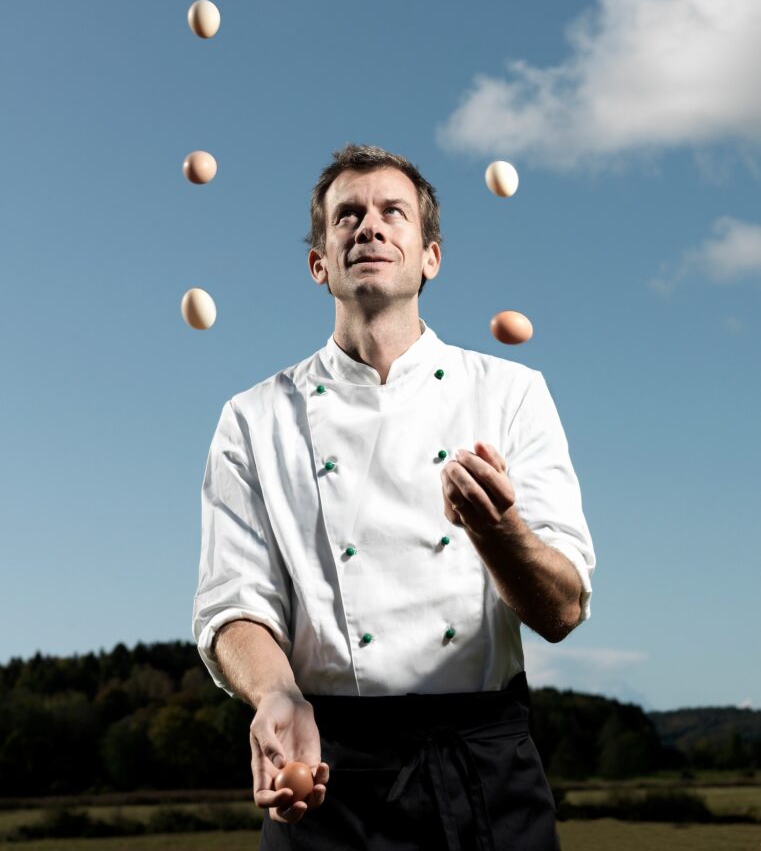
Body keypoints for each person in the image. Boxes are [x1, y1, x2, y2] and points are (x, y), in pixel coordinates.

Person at [193, 143, 596, 850]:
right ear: (320, 264)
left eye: (391, 212)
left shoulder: (510, 393)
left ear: (428, 256)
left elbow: (561, 608)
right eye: (346, 215)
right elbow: (235, 604)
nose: (368, 226)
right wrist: (276, 696)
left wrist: (498, 531)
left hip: (484, 765)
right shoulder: (253, 417)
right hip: (325, 767)